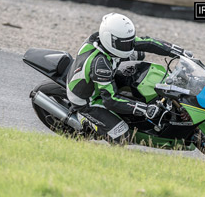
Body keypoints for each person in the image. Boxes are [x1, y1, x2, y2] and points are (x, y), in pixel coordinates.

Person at [66, 13, 192, 142]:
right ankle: (84, 119)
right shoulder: (100, 65)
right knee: (122, 136)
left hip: (102, 73)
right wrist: (143, 109)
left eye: (129, 41)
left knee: (139, 53)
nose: (128, 46)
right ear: (109, 39)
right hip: (87, 100)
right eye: (124, 43)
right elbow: (111, 100)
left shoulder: (109, 40)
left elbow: (149, 43)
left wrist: (180, 52)